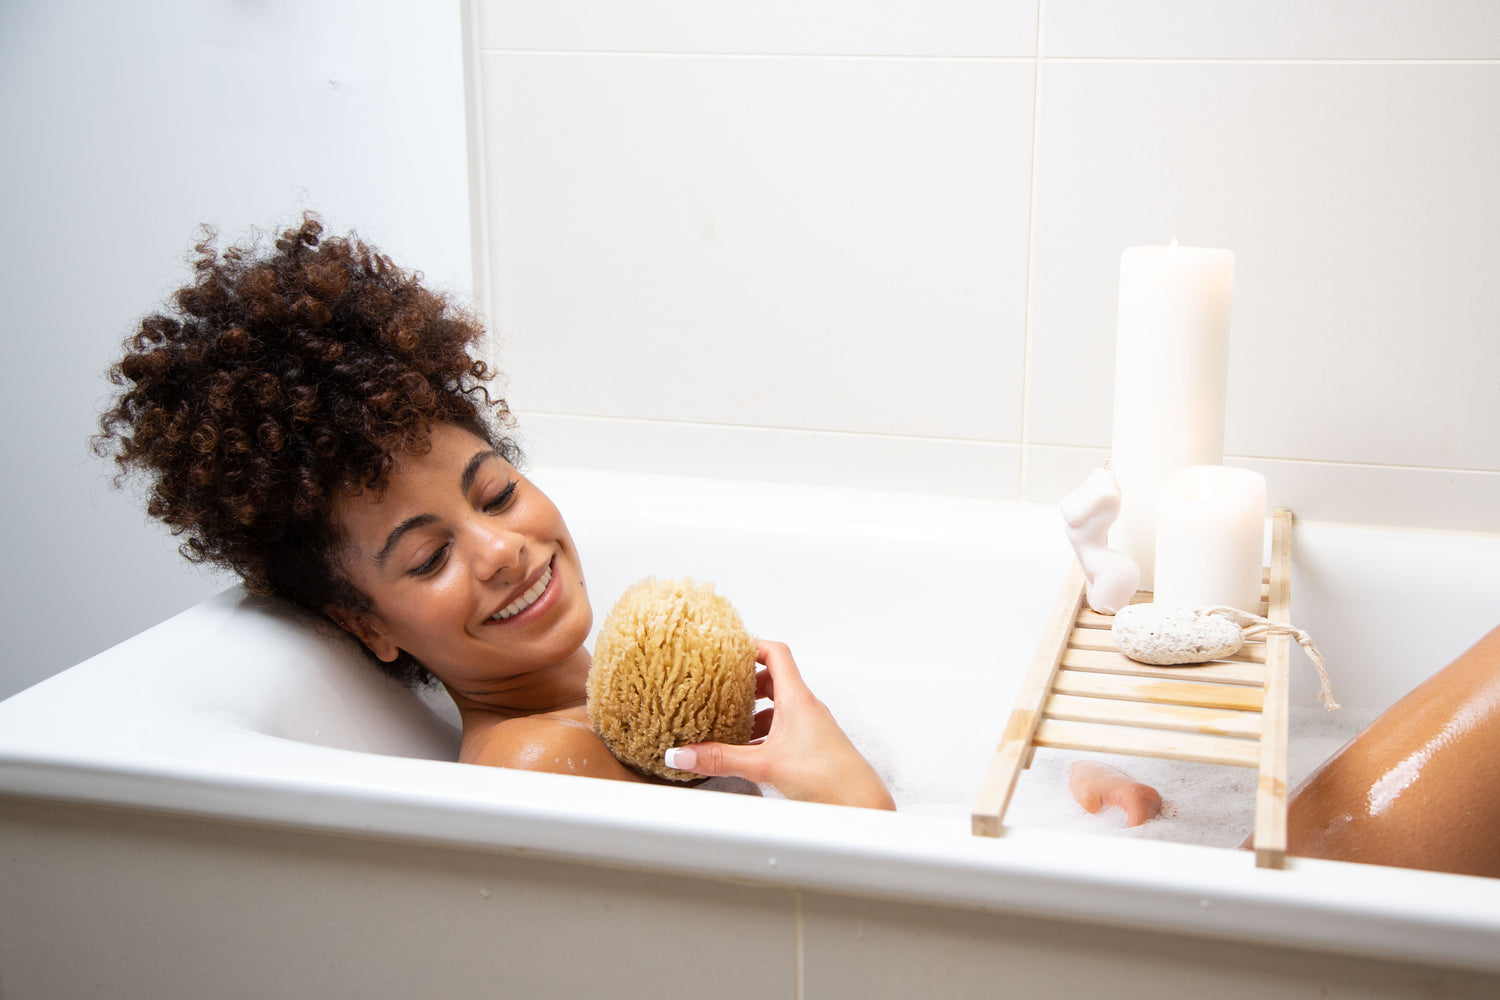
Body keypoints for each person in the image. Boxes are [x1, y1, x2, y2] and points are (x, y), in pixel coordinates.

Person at [96, 214, 894, 811]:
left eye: (497, 493)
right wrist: (842, 784)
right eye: (428, 557)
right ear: (366, 625)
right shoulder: (539, 764)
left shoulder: (611, 706)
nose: (501, 549)